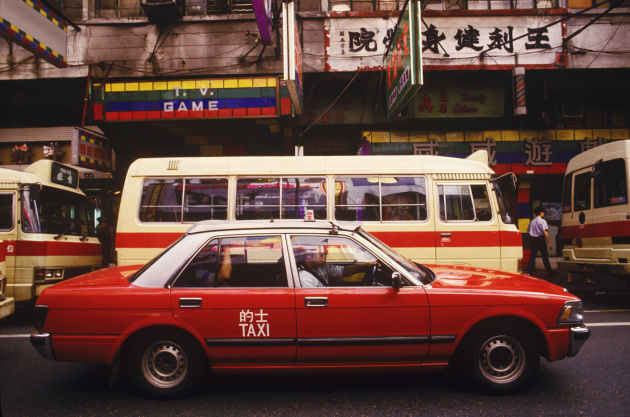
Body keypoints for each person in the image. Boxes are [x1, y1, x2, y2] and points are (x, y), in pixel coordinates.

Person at [296, 245, 377, 287]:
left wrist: (365, 265)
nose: (325, 256)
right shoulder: (304, 277)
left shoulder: (321, 267)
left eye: (326, 253)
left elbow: (343, 271)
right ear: (309, 256)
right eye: (322, 254)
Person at [527, 207, 557, 279]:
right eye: (543, 212)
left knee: (532, 257)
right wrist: (549, 243)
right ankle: (550, 273)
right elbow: (545, 232)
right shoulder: (543, 221)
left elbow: (528, 230)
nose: (544, 213)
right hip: (541, 240)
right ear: (541, 213)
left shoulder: (532, 222)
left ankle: (529, 273)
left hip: (533, 240)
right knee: (545, 257)